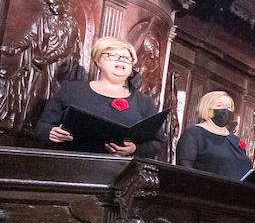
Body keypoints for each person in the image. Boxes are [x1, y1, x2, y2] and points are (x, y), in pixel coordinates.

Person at [35, 36, 165, 157]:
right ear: (98, 61)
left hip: (119, 172)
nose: (121, 59)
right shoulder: (71, 89)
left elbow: (156, 143)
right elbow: (42, 127)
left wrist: (135, 149)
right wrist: (51, 132)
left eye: (126, 57)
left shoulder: (145, 102)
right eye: (112, 55)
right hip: (72, 164)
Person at [176, 90, 252, 179]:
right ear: (207, 109)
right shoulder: (194, 134)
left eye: (229, 107)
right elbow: (185, 168)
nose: (225, 110)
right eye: (219, 105)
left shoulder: (236, 141)